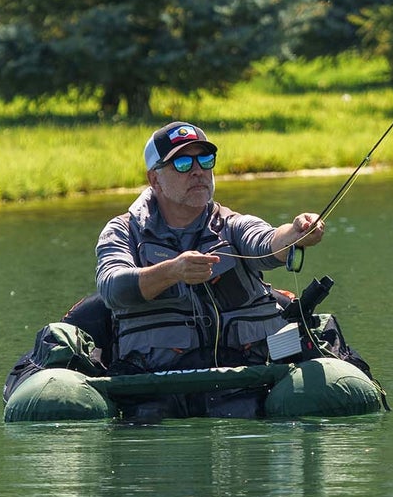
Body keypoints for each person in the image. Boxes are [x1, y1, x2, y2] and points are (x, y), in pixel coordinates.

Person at [95, 121, 327, 373]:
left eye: (205, 160)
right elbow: (112, 287)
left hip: (245, 380)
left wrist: (295, 233)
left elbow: (266, 242)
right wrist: (172, 272)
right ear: (155, 179)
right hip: (156, 386)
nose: (198, 171)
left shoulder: (233, 224)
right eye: (183, 164)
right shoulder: (122, 231)